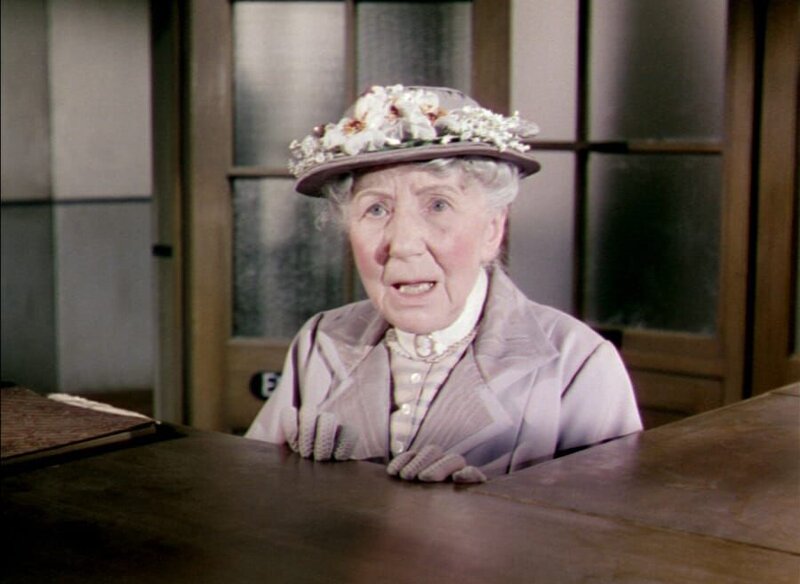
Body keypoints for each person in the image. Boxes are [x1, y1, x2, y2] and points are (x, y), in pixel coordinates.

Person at [246, 84, 642, 483]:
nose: (403, 244)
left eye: (438, 205)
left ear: (492, 230)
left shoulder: (576, 362)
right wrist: (300, 480)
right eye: (376, 209)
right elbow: (254, 495)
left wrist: (482, 509)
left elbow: (609, 519)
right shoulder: (322, 341)